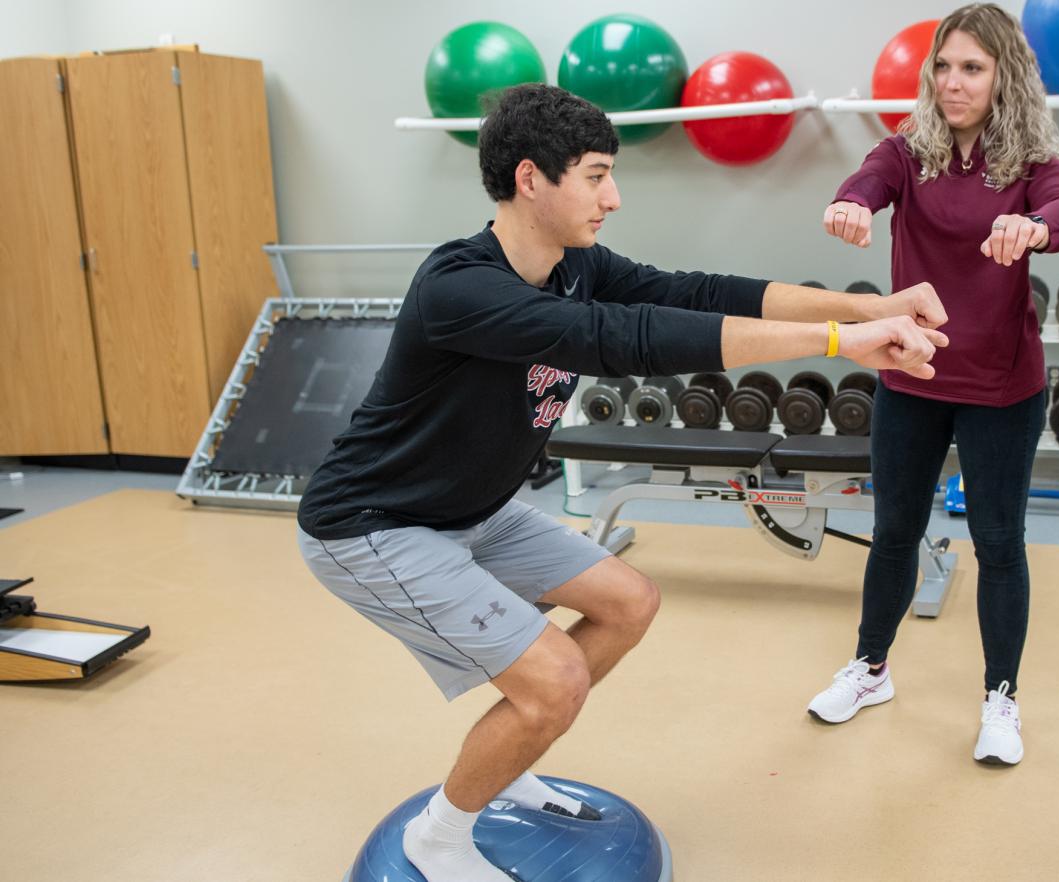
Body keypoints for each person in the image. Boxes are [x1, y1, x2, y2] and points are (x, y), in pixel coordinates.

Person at [295, 84, 950, 882]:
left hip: (471, 511)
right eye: (596, 175)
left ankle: (506, 763)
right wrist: (840, 341)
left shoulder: (576, 266)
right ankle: (438, 840)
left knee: (629, 600)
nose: (614, 196)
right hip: (373, 523)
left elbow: (698, 295)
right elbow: (625, 339)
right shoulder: (459, 288)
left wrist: (868, 305)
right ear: (531, 179)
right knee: (554, 680)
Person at [806, 2, 1059, 766]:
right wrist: (850, 203)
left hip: (1002, 387)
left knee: (999, 544)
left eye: (973, 68)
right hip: (914, 377)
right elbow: (867, 178)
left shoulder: (1031, 162)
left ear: (1004, 76)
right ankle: (870, 669)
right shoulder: (909, 149)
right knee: (894, 533)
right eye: (945, 66)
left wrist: (1036, 228)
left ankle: (1002, 698)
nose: (953, 82)